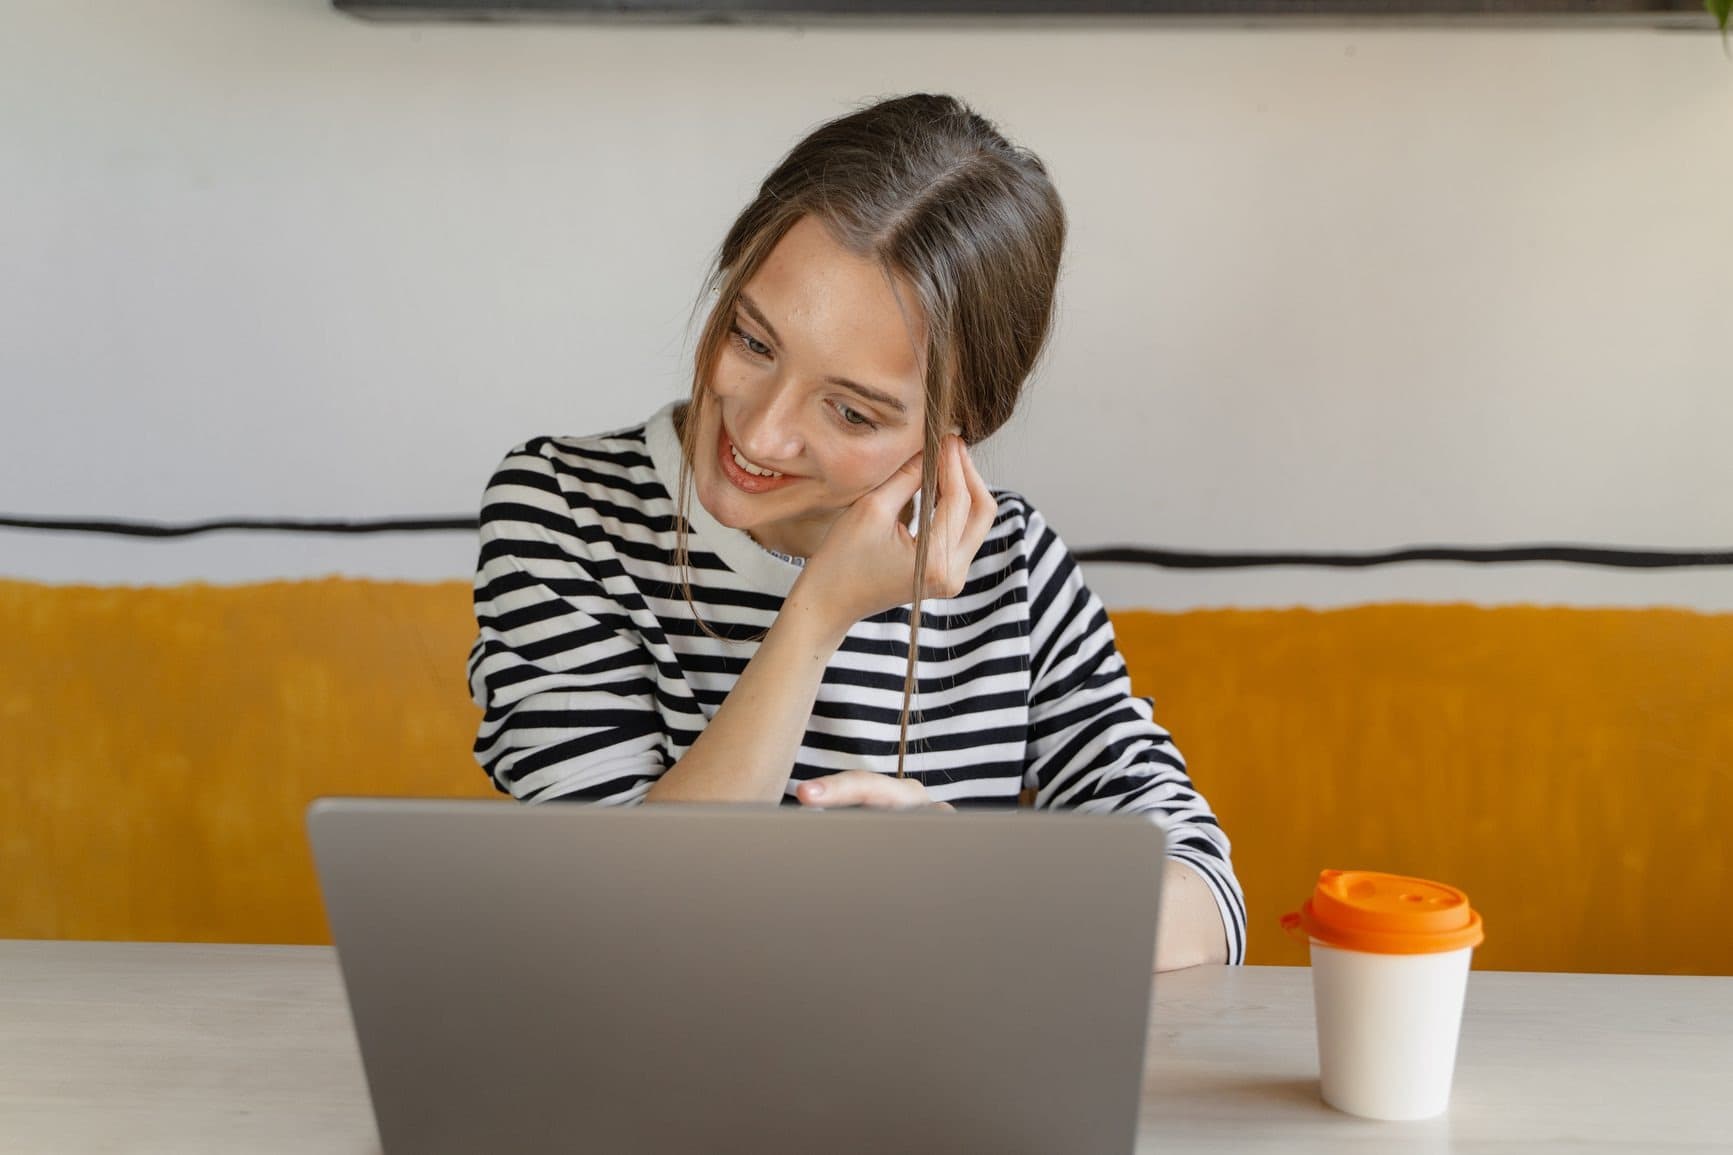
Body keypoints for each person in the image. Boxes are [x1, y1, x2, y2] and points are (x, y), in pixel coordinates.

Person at [466, 93, 1245, 970]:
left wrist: (982, 877)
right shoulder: (564, 510)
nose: (759, 434)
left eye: (848, 409)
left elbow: (1205, 901)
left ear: (961, 424)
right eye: (752, 341)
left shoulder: (1011, 570)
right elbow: (628, 917)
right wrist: (815, 617)